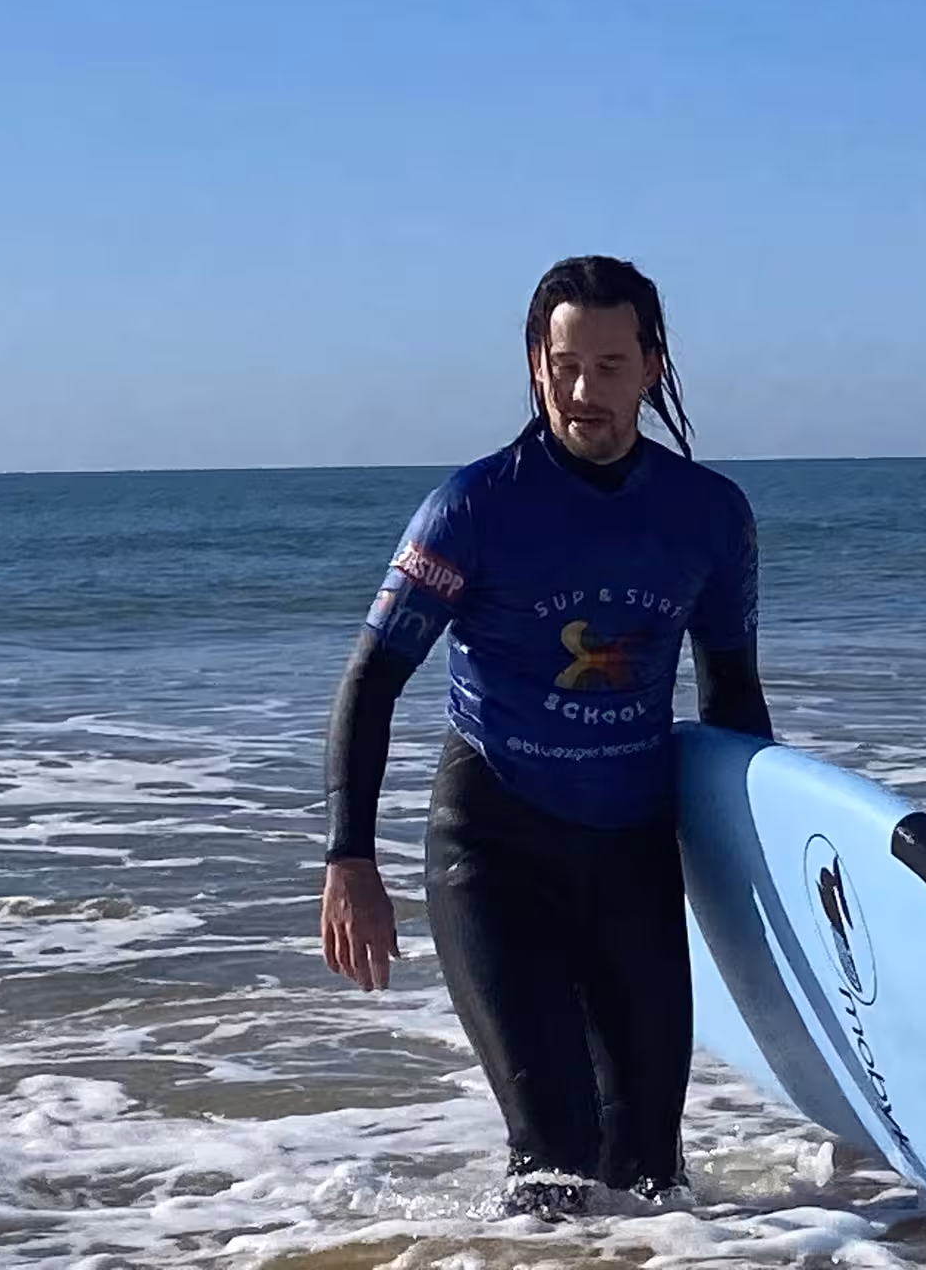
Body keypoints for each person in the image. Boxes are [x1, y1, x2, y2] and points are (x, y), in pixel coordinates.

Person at [318, 255, 774, 1219]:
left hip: (631, 852)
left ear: (652, 366)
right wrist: (350, 858)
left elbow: (733, 700)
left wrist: (760, 880)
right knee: (557, 1159)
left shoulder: (709, 518)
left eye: (610, 366)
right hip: (494, 846)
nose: (582, 391)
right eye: (564, 365)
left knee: (650, 1169)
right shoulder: (474, 508)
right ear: (535, 364)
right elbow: (372, 682)